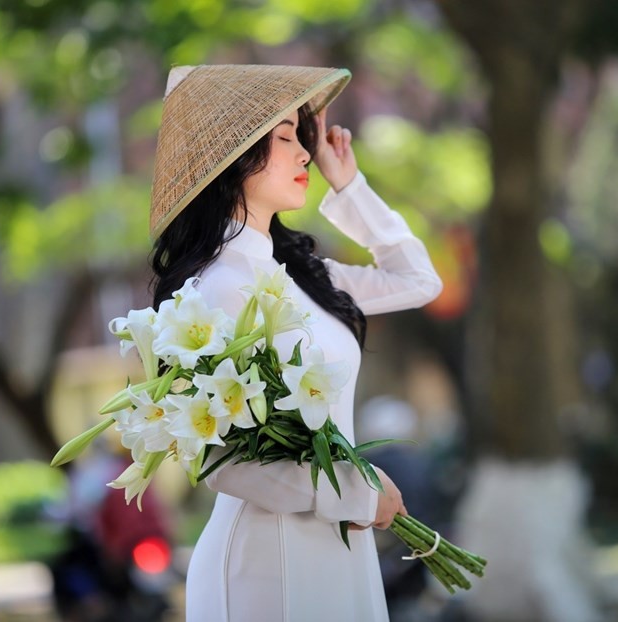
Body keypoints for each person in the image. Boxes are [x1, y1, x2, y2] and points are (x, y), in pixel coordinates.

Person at [148, 64, 442, 622]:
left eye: (300, 137)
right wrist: (355, 494)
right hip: (267, 563)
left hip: (340, 545)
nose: (305, 152)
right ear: (234, 157)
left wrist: (349, 185)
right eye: (285, 138)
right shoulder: (209, 293)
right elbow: (219, 461)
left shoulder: (301, 275)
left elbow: (418, 280)